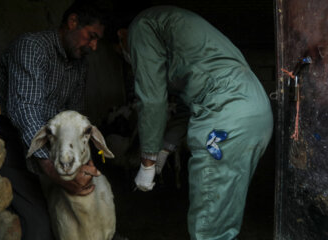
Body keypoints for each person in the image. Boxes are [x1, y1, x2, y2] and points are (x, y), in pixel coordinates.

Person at [115, 5, 274, 240]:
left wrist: (147, 162)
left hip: (224, 117)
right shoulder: (177, 33)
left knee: (210, 229)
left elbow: (151, 100)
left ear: (121, 36)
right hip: (254, 114)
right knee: (223, 217)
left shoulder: (141, 26)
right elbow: (184, 107)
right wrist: (166, 149)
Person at [0, 2, 106, 239]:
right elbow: (26, 110)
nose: (94, 46)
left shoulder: (79, 65)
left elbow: (75, 115)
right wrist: (52, 169)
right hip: (13, 144)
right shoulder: (32, 47)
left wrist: (84, 160)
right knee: (39, 226)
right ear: (72, 22)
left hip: (53, 148)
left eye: (97, 41)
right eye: (91, 36)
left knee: (78, 212)